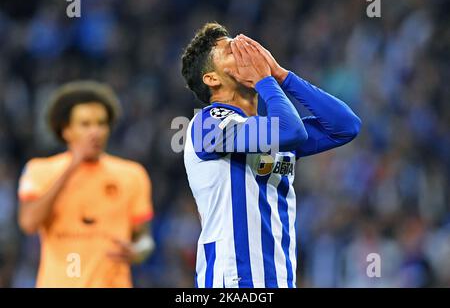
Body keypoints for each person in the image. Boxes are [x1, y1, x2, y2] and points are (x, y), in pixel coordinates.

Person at [181, 23, 361, 288]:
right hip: (232, 280)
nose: (247, 54)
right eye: (232, 50)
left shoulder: (267, 131)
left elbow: (346, 126)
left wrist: (281, 75)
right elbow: (291, 130)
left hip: (279, 278)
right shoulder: (208, 124)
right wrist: (265, 80)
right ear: (212, 78)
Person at [17, 81, 155, 288]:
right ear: (66, 131)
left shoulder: (132, 174)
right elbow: (28, 223)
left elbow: (144, 238)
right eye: (85, 124)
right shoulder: (40, 170)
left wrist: (139, 251)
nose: (95, 131)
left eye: (101, 123)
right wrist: (71, 168)